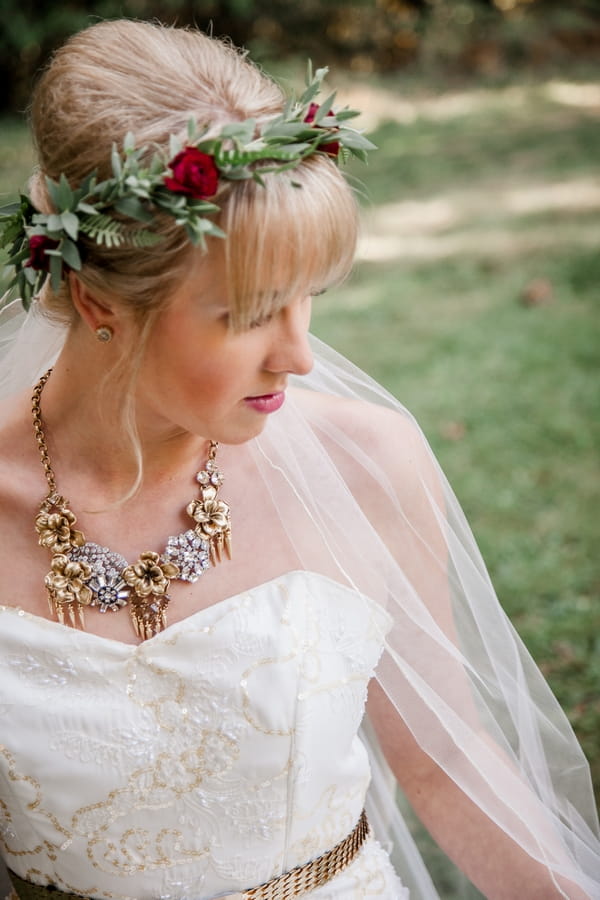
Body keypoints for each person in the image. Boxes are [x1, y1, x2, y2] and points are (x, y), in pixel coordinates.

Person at [0, 18, 598, 900]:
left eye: (306, 299)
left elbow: (447, 761)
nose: (299, 356)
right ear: (95, 297)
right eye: (248, 314)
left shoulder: (365, 466)